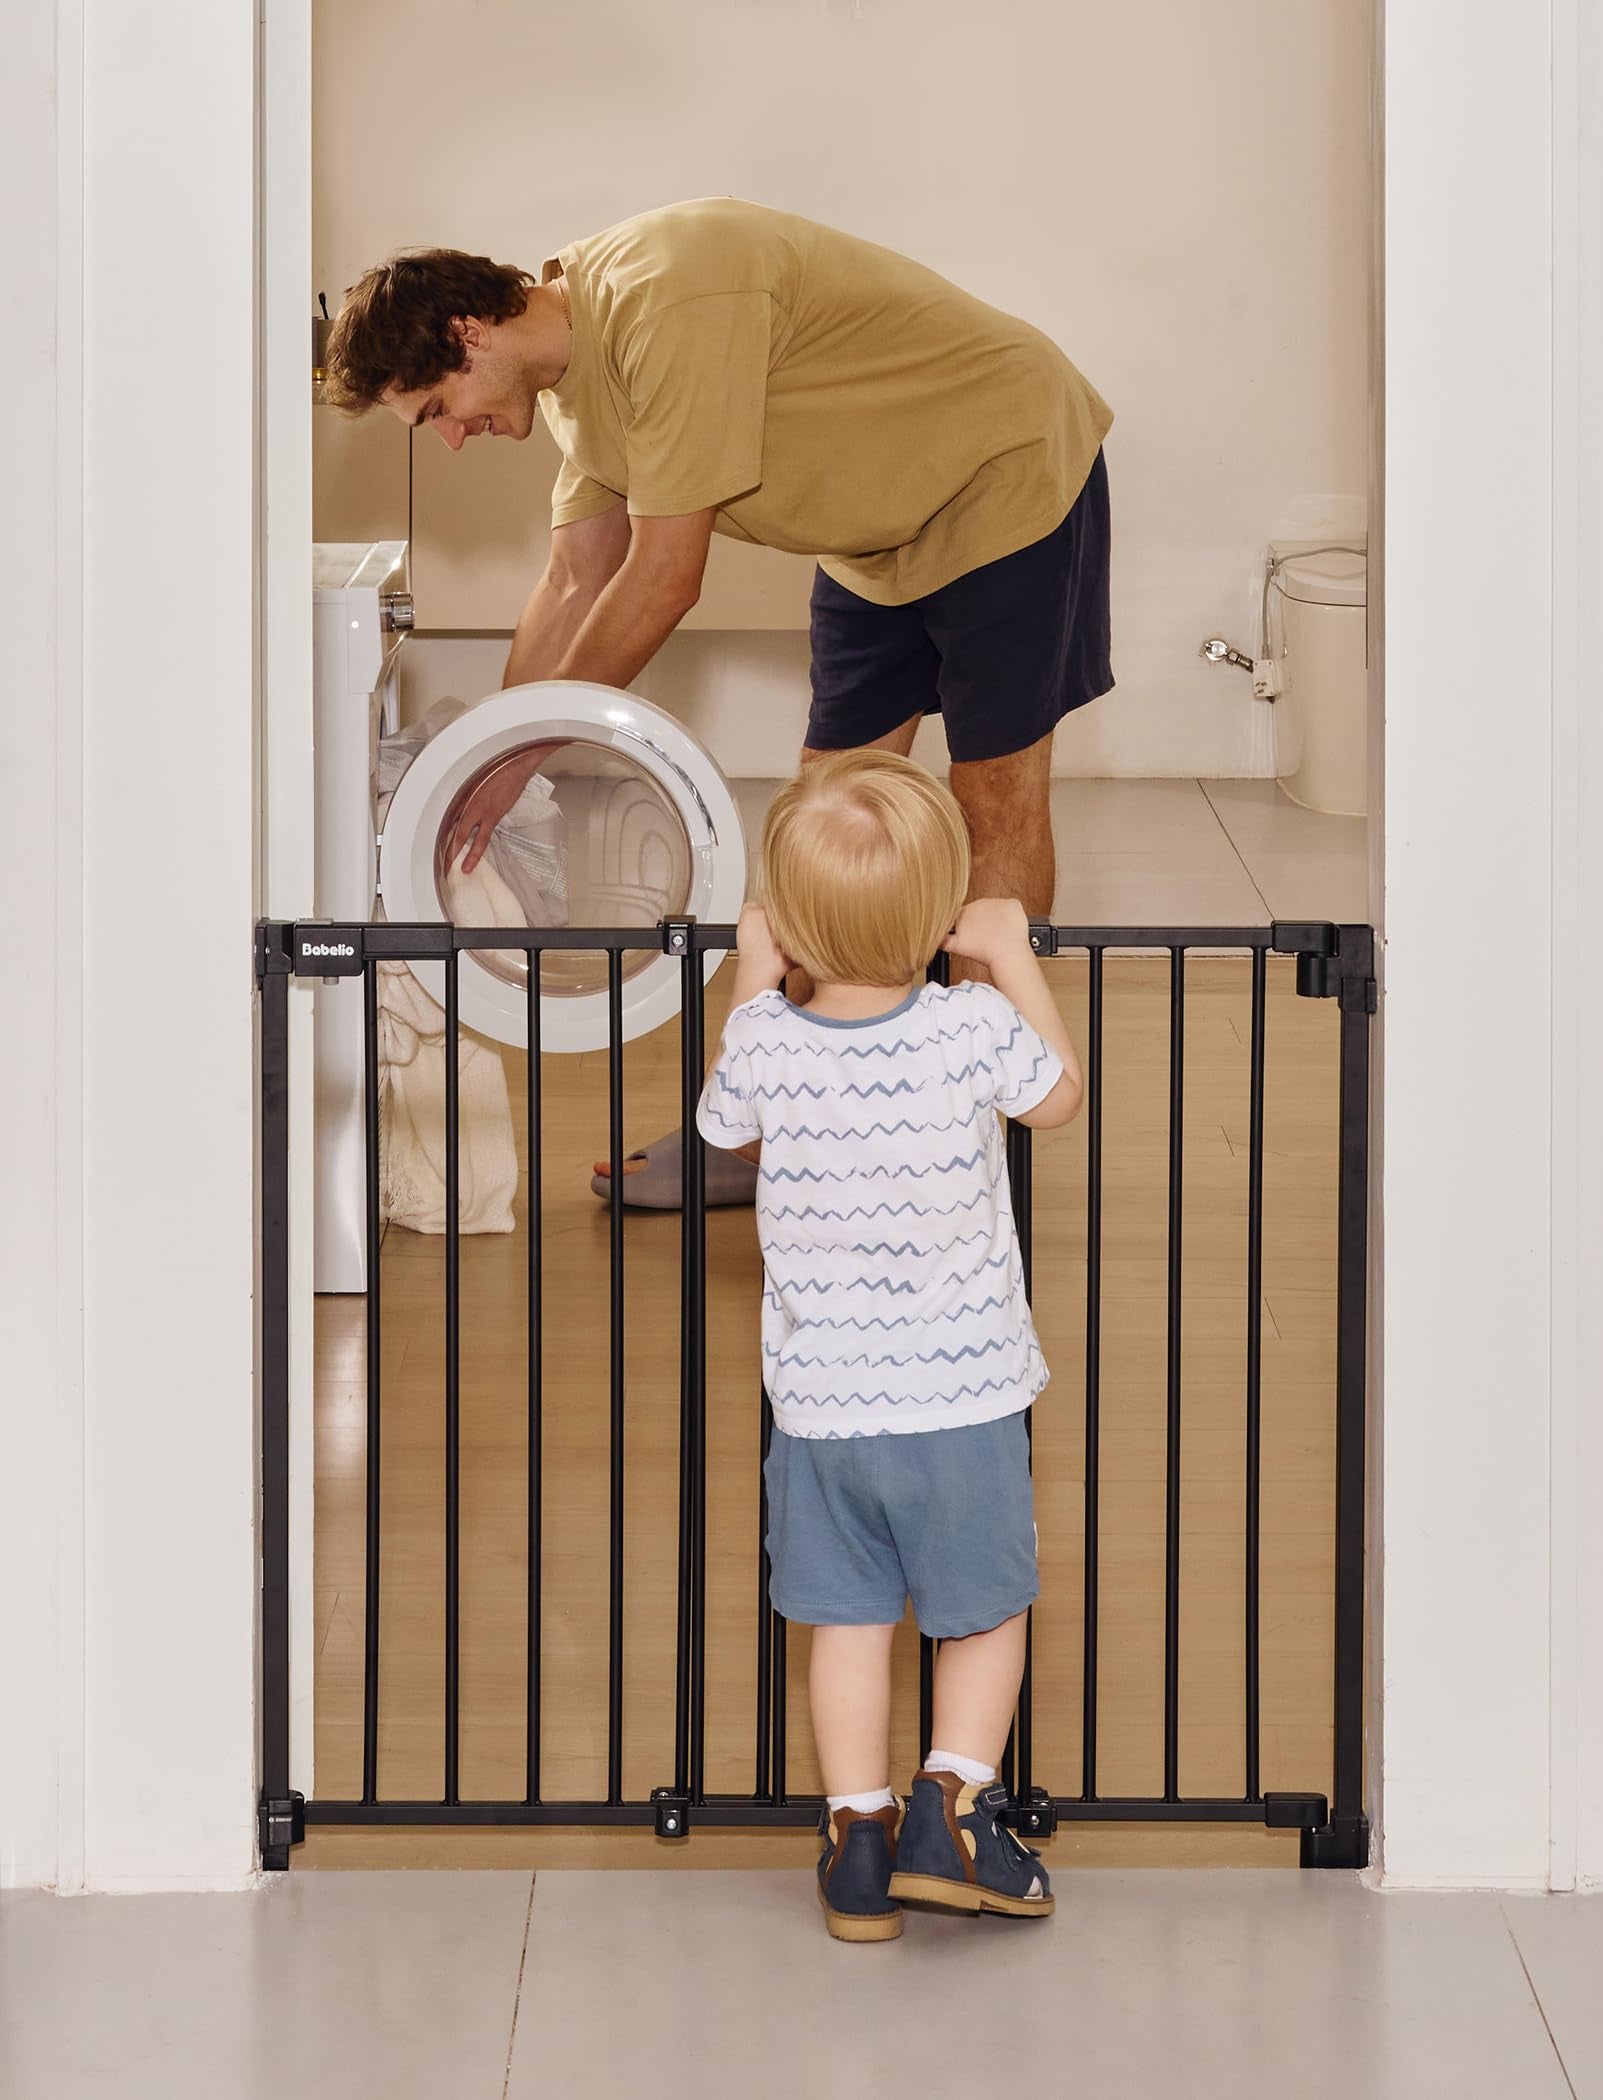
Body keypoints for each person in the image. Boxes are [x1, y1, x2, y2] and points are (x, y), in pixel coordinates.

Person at [324, 197, 1112, 1204]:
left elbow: (662, 580)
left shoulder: (667, 291)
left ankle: (977, 1134)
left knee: (991, 799)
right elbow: (571, 583)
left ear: (466, 335)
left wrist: (519, 758)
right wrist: (486, 757)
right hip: (874, 543)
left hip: (1004, 475)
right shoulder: (574, 396)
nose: (450, 439)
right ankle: (775, 1131)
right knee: (820, 827)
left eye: (434, 408)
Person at [693, 750, 1084, 1940]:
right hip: (963, 1400)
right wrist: (1010, 955)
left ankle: (857, 1840)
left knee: (848, 1620)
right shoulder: (970, 1029)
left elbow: (724, 1125)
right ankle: (952, 1812)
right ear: (940, 914)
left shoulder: (766, 1043)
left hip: (822, 1410)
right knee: (982, 1609)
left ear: (790, 921)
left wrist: (752, 980)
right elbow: (1057, 1095)